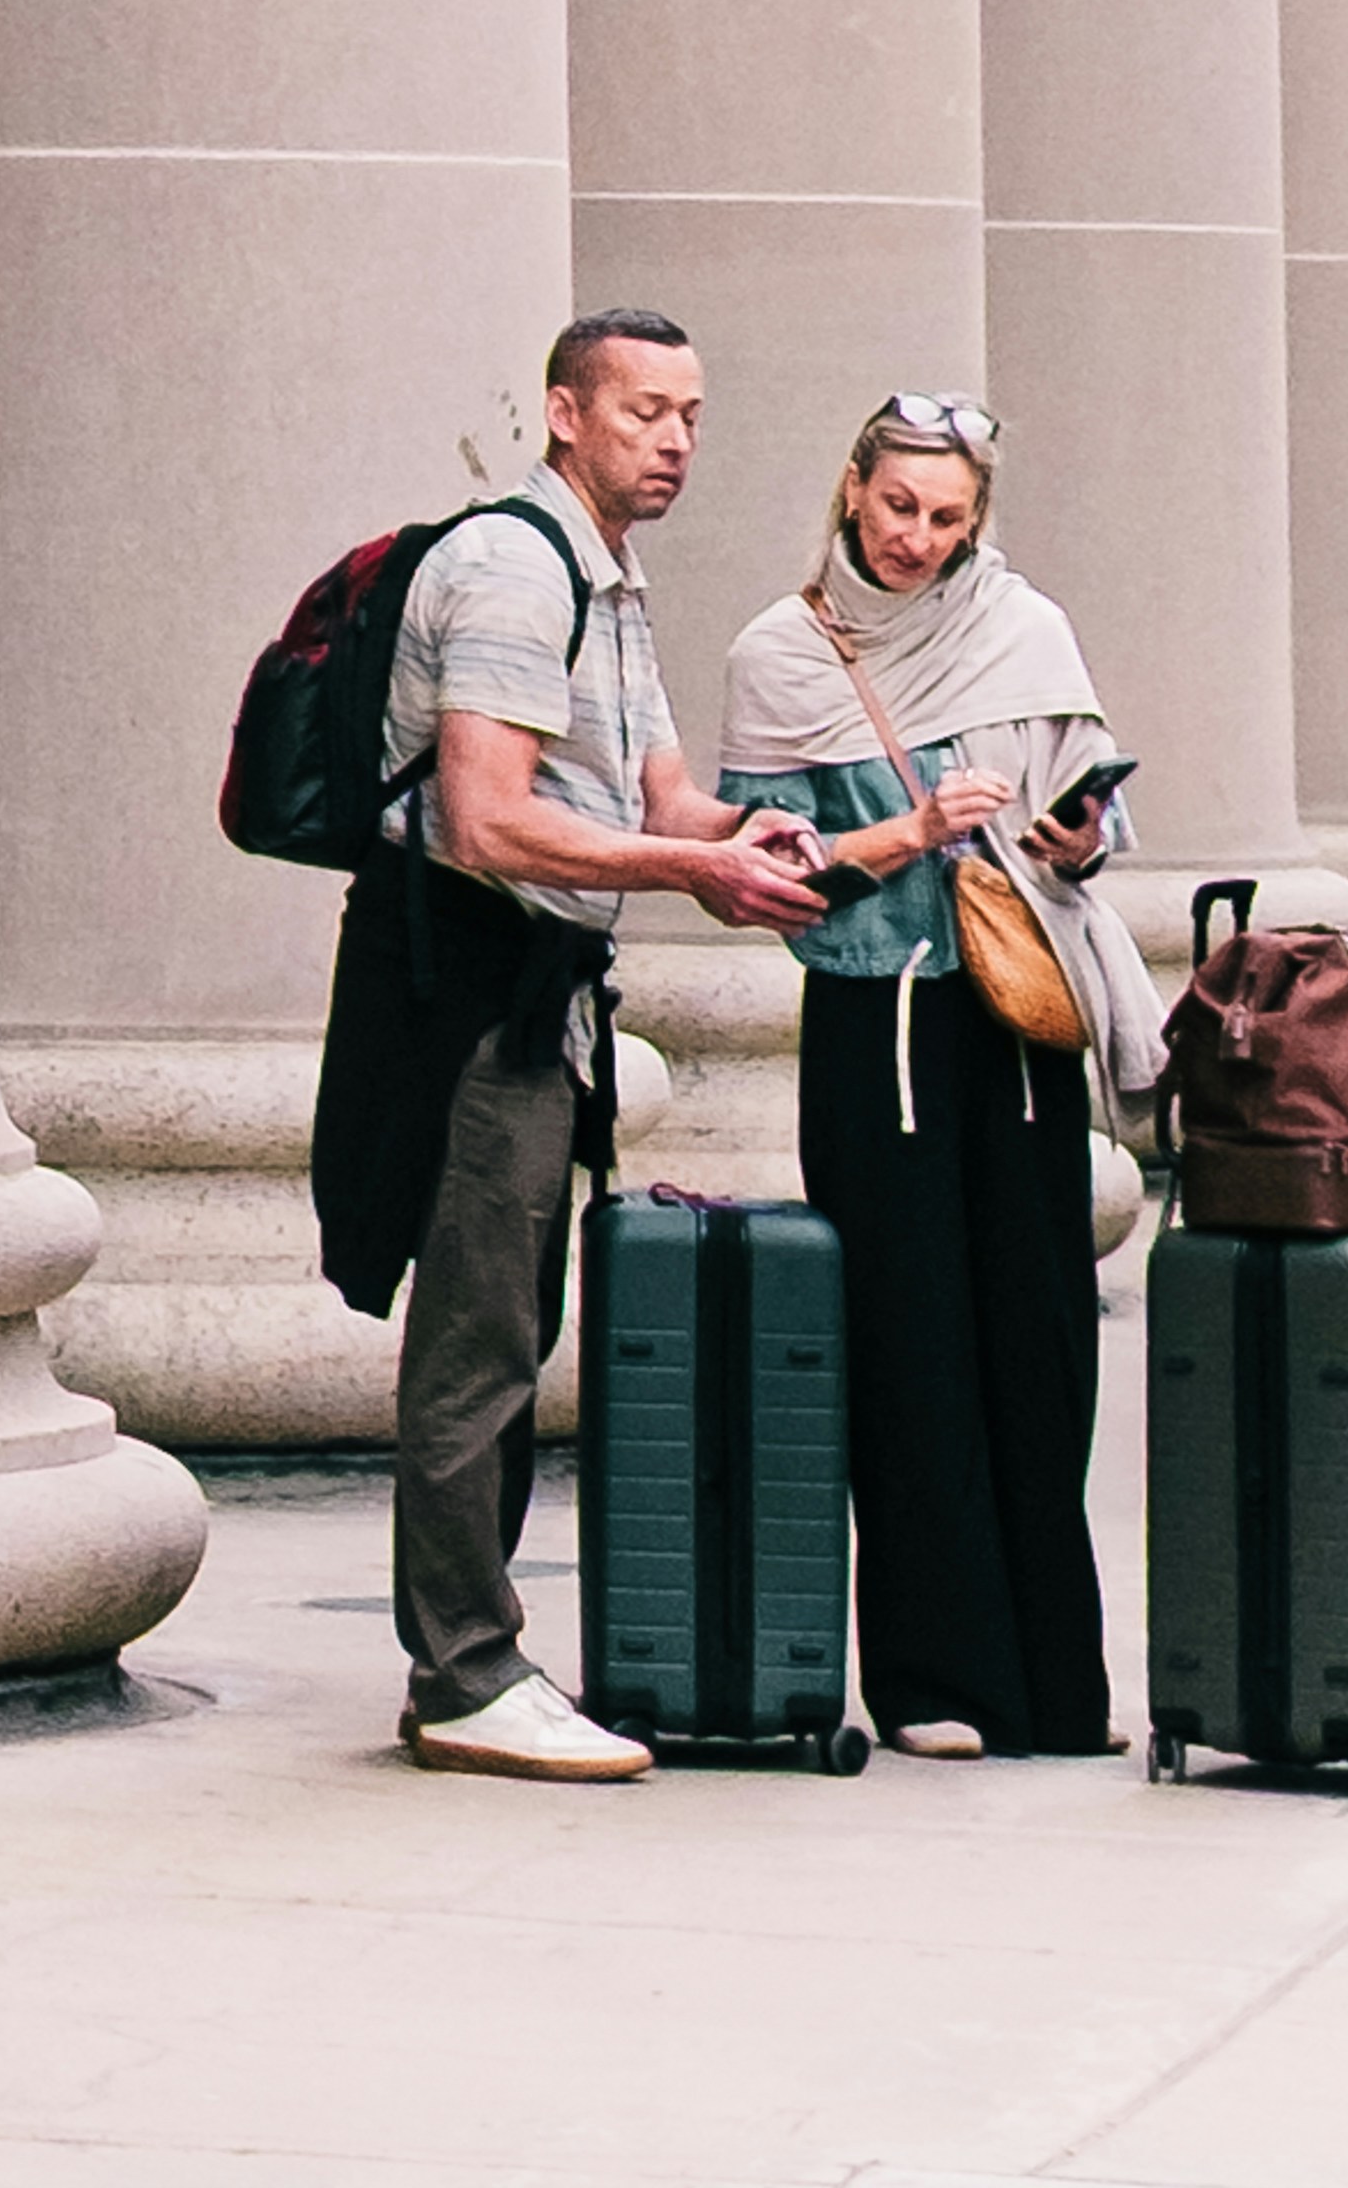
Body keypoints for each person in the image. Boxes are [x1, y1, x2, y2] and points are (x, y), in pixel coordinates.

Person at [317, 307, 822, 1786]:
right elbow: (486, 821)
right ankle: (464, 1675)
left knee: (514, 1327)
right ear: (562, 413)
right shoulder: (509, 570)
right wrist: (692, 872)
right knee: (475, 1342)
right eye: (641, 411)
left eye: (690, 416)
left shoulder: (612, 582)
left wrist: (760, 836)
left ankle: (473, 1664)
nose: (672, 442)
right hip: (469, 991)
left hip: (544, 991)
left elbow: (660, 804)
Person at [713, 398, 1130, 1765]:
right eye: (898, 506)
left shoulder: (1025, 627)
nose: (918, 537)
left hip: (1017, 1019)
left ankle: (1055, 1682)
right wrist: (908, 832)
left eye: (946, 517)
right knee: (907, 1342)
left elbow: (1096, 807)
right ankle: (932, 1679)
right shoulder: (780, 656)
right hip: (873, 1020)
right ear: (851, 490)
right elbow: (765, 875)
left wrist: (1076, 837)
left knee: (1039, 1337)